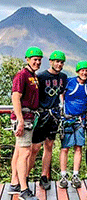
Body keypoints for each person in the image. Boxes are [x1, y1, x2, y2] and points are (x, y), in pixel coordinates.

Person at [27, 50, 67, 190]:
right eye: (56, 61)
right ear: (50, 61)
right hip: (42, 114)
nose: (59, 64)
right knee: (35, 148)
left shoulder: (63, 77)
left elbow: (62, 94)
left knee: (49, 145)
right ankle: (24, 176)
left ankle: (44, 176)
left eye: (61, 62)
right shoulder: (41, 76)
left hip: (54, 115)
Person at [8, 46, 42, 200]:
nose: (37, 62)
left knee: (19, 151)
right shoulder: (22, 75)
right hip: (24, 118)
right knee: (25, 152)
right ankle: (23, 189)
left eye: (39, 60)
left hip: (29, 117)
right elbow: (16, 97)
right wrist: (20, 121)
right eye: (35, 59)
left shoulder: (33, 76)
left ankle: (15, 183)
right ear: (27, 59)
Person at [59, 60, 87, 189]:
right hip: (67, 119)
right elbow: (61, 94)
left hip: (80, 119)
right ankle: (63, 175)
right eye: (82, 70)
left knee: (78, 147)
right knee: (65, 148)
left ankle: (75, 175)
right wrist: (64, 107)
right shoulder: (70, 82)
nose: (84, 73)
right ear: (78, 71)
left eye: (86, 71)